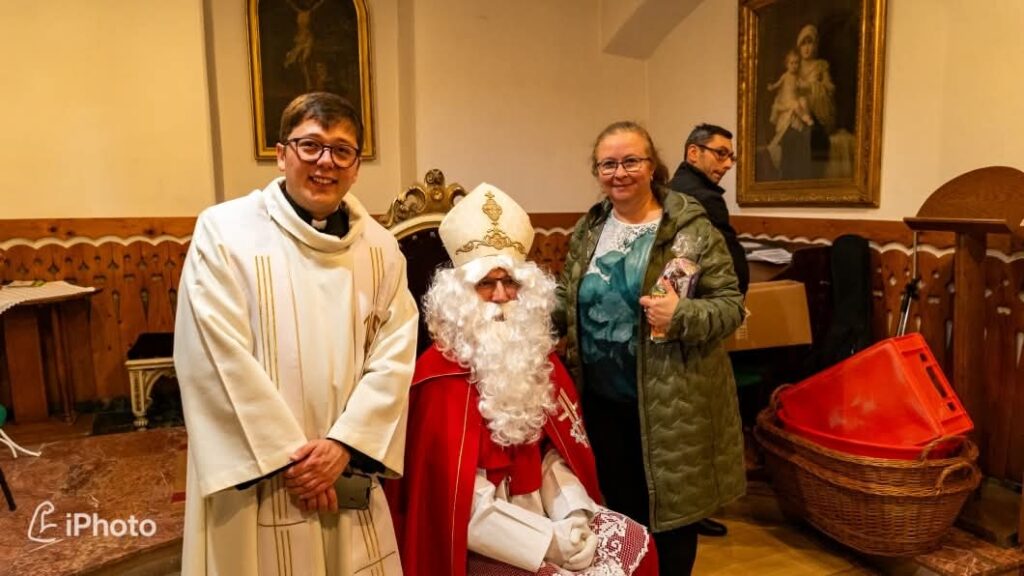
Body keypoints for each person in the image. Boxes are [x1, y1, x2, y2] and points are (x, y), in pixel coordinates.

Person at [174, 92, 418, 576]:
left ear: (356, 167)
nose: (325, 162)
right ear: (281, 154)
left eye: (342, 150)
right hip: (261, 480)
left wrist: (344, 446)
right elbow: (214, 357)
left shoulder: (381, 249)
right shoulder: (224, 233)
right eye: (310, 145)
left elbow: (394, 356)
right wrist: (297, 462)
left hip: (344, 469)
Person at [387, 183, 657, 576]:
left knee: (638, 544)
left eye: (510, 282)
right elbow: (459, 506)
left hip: (543, 514)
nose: (501, 295)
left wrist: (573, 515)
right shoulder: (438, 381)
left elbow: (552, 454)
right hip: (479, 537)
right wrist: (547, 543)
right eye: (486, 283)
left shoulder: (535, 358)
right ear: (459, 294)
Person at [555, 121, 746, 576]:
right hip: (601, 403)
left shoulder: (690, 228)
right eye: (608, 164)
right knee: (617, 516)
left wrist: (680, 316)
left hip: (671, 407)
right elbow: (565, 298)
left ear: (652, 166)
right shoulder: (590, 228)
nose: (619, 173)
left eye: (631, 161)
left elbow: (730, 307)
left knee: (670, 523)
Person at [668, 124, 749, 295]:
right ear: (693, 153)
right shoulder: (706, 198)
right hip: (702, 299)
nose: (728, 164)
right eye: (721, 153)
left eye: (731, 157)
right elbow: (731, 263)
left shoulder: (668, 188)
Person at [766, 50, 814, 170]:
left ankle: (805, 116)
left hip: (794, 98)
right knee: (796, 105)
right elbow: (778, 84)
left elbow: (803, 84)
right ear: (787, 64)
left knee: (802, 102)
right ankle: (805, 118)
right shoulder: (785, 76)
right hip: (786, 101)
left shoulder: (797, 77)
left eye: (796, 63)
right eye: (792, 63)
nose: (794, 66)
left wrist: (807, 85)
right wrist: (772, 87)